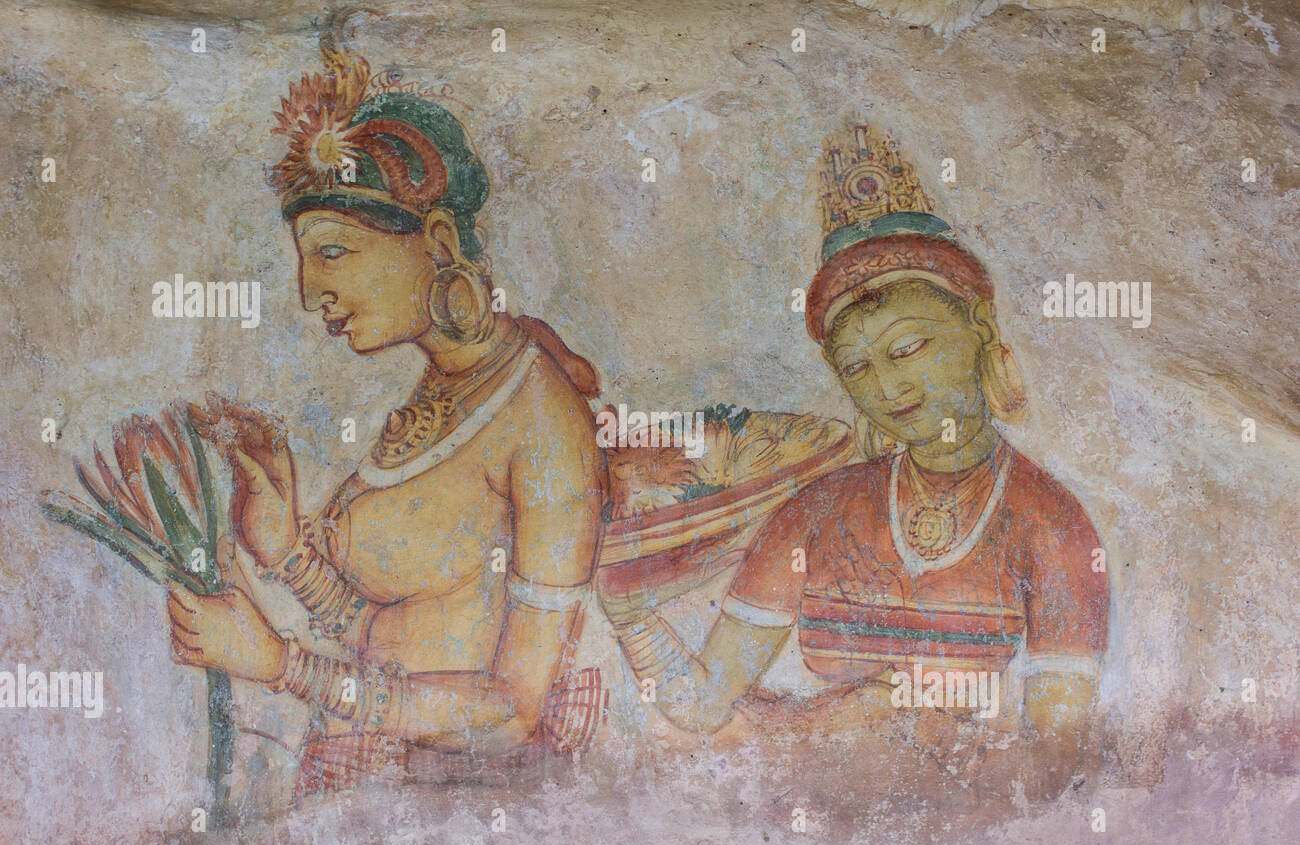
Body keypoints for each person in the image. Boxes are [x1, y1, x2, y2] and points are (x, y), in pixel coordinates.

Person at [165, 35, 606, 795]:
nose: (310, 292)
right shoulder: (441, 393)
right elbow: (382, 635)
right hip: (365, 786)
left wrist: (278, 665)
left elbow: (509, 711)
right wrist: (285, 550)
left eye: (333, 252)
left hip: (461, 811)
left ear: (436, 242)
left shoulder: (543, 422)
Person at [614, 124, 1109, 801]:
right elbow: (700, 706)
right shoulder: (818, 510)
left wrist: (918, 740)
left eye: (907, 349)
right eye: (857, 368)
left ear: (979, 333)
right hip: (809, 797)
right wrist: (630, 613)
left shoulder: (1051, 525)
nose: (887, 389)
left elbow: (1052, 767)